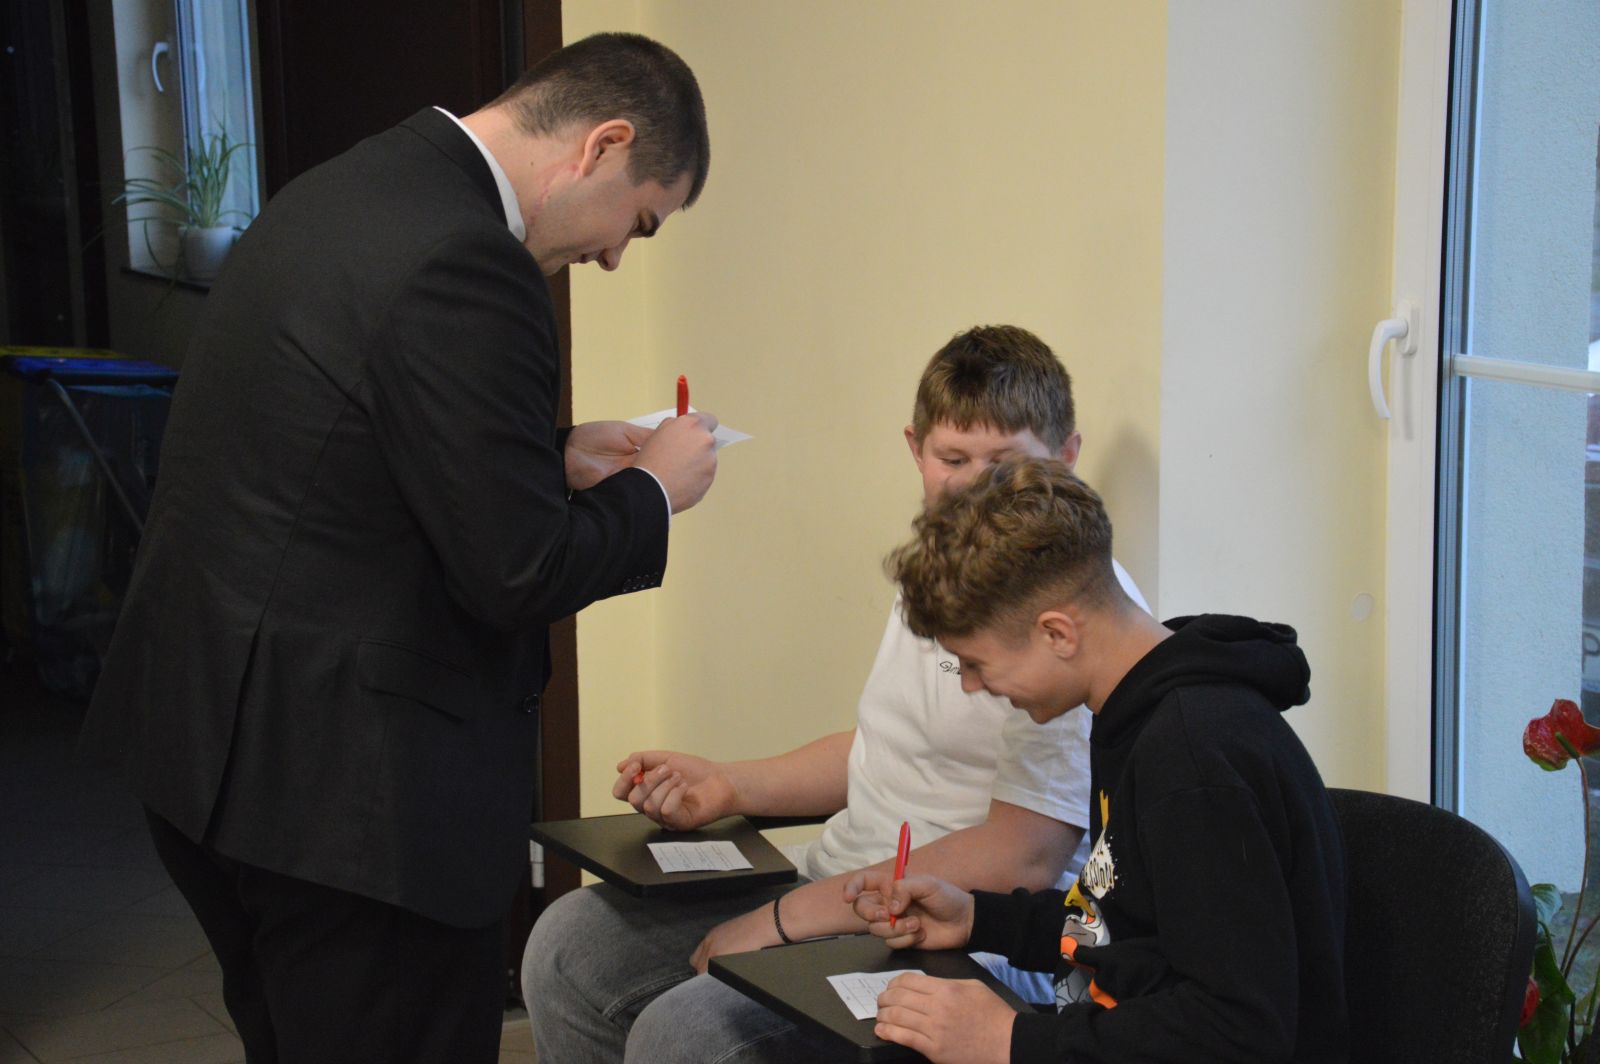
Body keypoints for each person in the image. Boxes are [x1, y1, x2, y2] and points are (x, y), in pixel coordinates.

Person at [76, 32, 717, 1064]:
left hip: (214, 752)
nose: (612, 257)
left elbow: (335, 444)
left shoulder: (348, 189)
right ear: (603, 144)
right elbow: (520, 571)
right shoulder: (473, 260)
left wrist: (550, 456)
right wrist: (656, 491)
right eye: (638, 222)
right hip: (351, 808)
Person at [523, 325, 1149, 1063]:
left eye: (1004, 463)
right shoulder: (943, 569)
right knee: (569, 948)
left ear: (1066, 457)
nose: (976, 487)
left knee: (691, 1033)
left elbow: (1026, 859)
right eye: (953, 459)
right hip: (844, 882)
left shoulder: (1067, 620)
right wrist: (728, 785)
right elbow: (885, 745)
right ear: (915, 448)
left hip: (959, 928)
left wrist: (788, 919)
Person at [847, 457, 1348, 1063]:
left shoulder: (1192, 759)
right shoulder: (1133, 712)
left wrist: (1010, 1040)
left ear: (1057, 634)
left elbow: (1237, 1030)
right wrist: (979, 920)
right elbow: (1124, 923)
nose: (973, 686)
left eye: (976, 664)